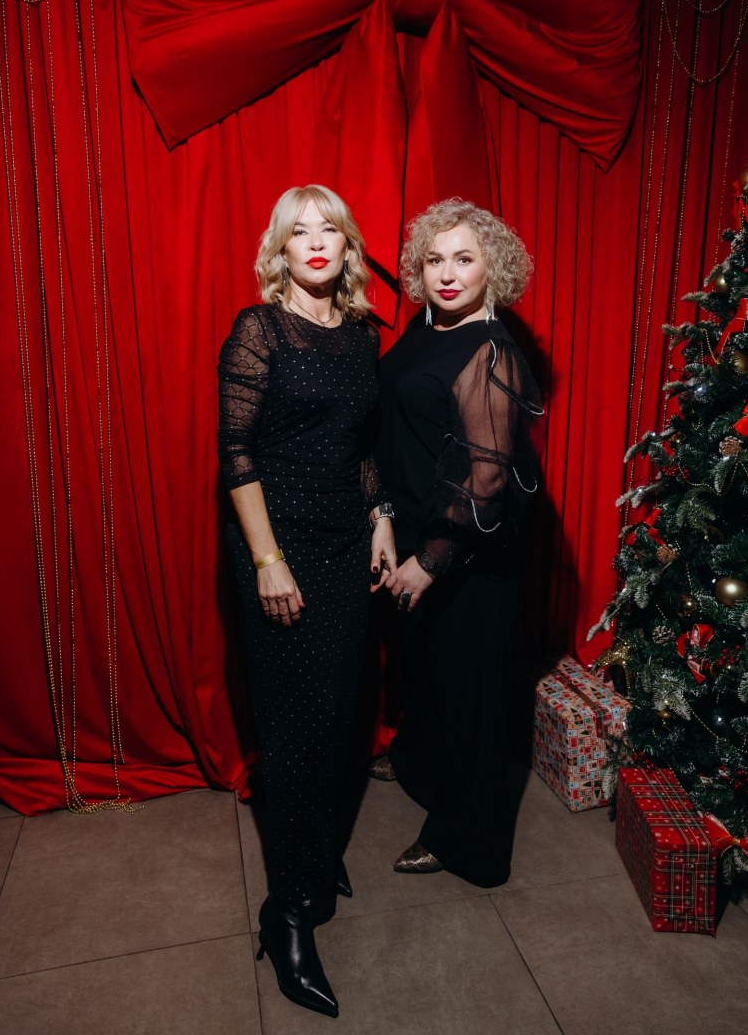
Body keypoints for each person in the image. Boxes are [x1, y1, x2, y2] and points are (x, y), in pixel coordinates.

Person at [217, 185, 395, 1018]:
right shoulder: (259, 330)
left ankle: (316, 855)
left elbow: (360, 447)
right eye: (300, 231)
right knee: (291, 728)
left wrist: (381, 516)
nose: (316, 242)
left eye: (330, 230)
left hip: (344, 542)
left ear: (348, 247)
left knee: (335, 711)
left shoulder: (362, 335)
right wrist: (267, 562)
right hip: (278, 546)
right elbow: (237, 452)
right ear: (280, 251)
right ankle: (286, 913)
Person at [373, 197, 543, 887]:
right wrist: (386, 519)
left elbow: (489, 479)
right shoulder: (425, 329)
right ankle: (421, 766)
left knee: (470, 693)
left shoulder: (489, 349)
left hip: (468, 552)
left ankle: (465, 840)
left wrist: (430, 561)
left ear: (491, 269)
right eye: (434, 260)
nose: (446, 274)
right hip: (418, 531)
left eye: (464, 259)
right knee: (429, 674)